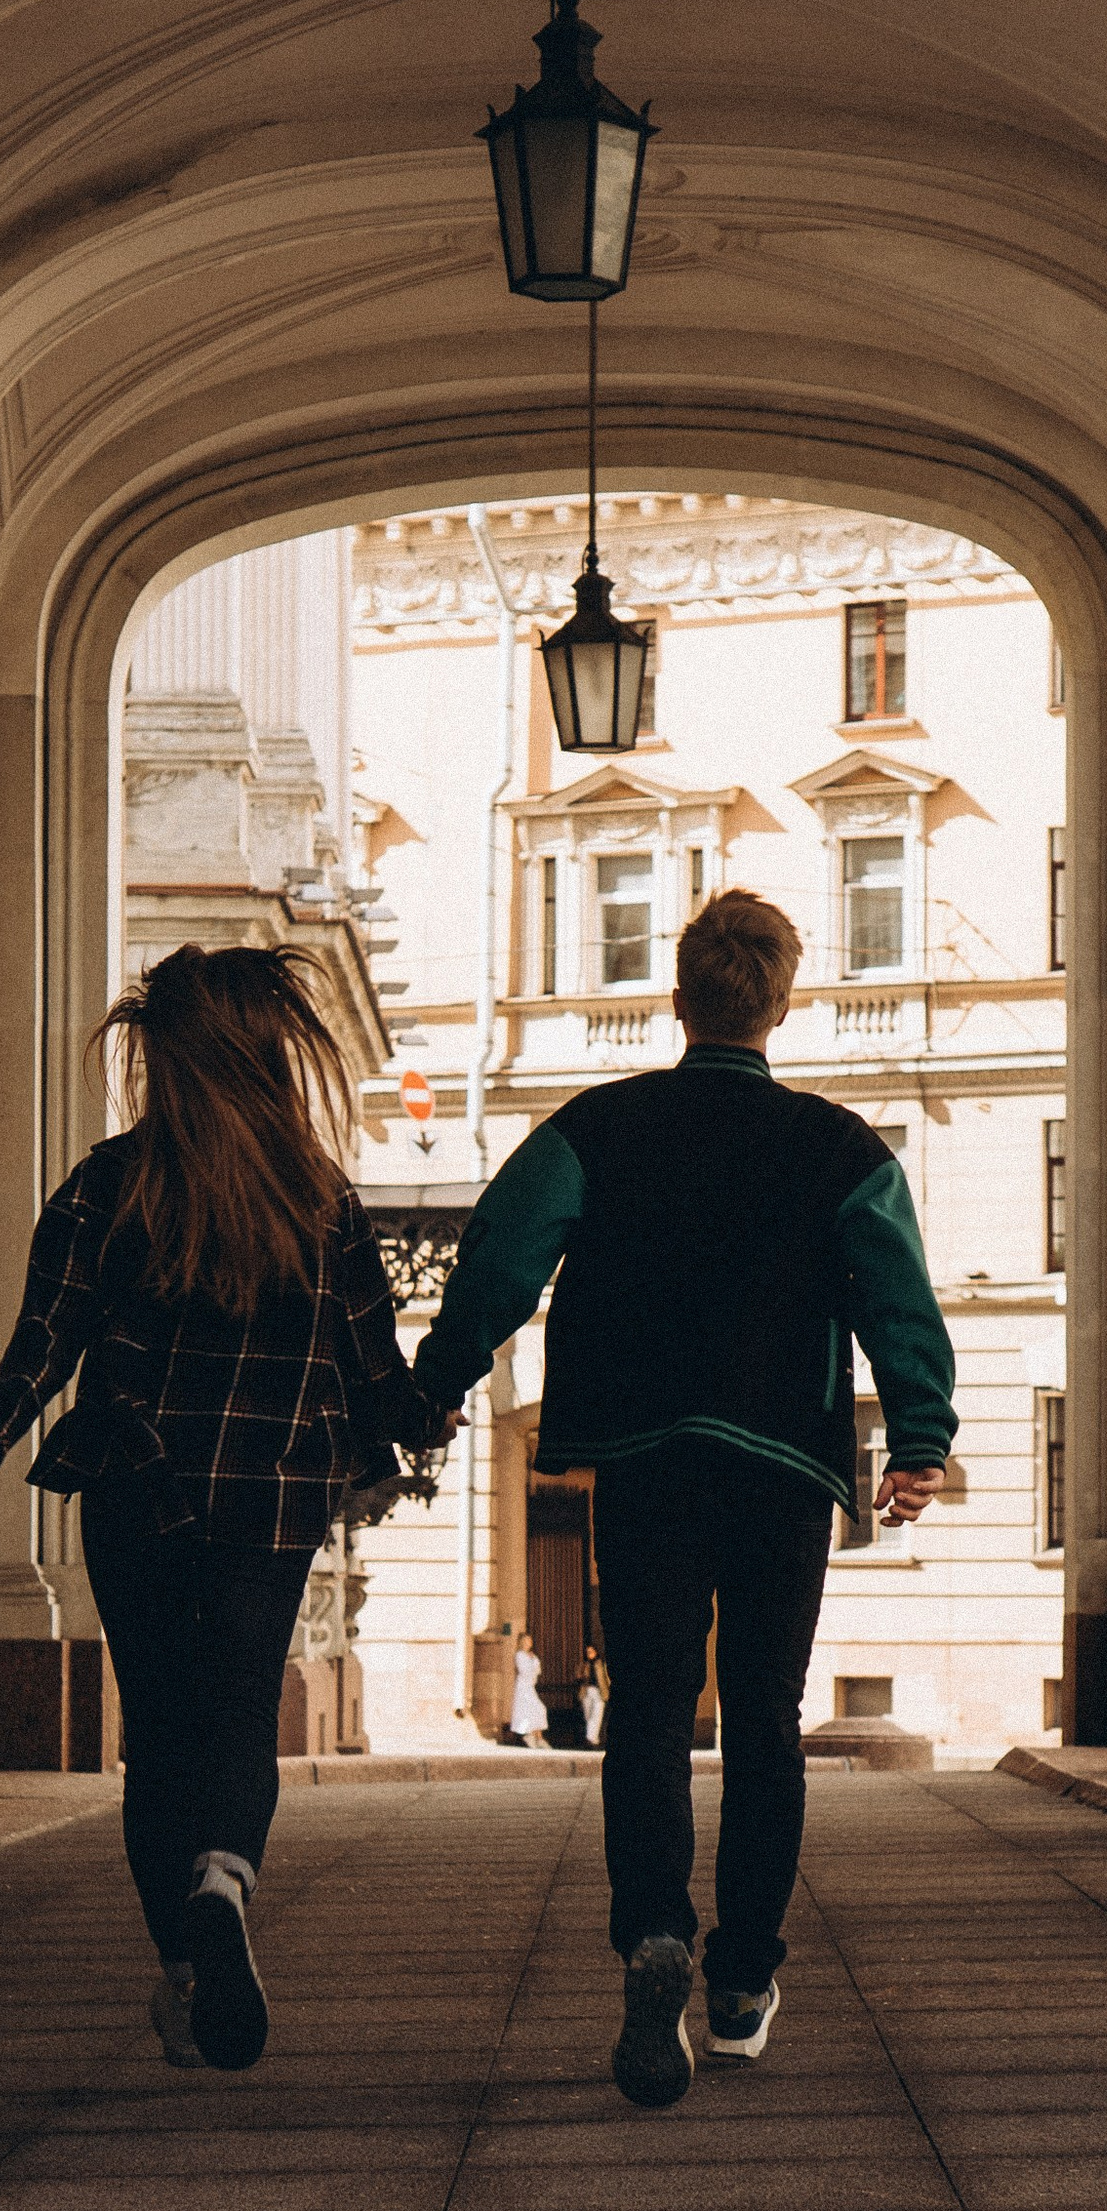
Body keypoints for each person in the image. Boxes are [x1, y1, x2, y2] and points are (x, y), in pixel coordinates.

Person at [410, 888, 955, 2109]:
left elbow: (499, 1258)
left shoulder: (594, 1128)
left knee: (650, 1708)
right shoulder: (840, 1150)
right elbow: (896, 1301)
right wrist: (916, 1436)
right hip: (783, 1465)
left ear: (676, 996)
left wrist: (437, 1384)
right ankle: (743, 1980)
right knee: (764, 1717)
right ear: (784, 1000)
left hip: (645, 1456)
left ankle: (654, 1931)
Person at [0, 943, 447, 2074]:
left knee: (157, 1737)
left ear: (169, 1062)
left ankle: (188, 1967)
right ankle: (223, 1884)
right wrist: (433, 1402)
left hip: (137, 1488)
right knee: (242, 1714)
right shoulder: (325, 1200)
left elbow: (41, 1346)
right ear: (266, 1056)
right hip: (273, 1492)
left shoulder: (108, 1184)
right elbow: (370, 1372)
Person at [510, 1638, 550, 1748]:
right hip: (523, 1687)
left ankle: (538, 1737)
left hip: (529, 1686)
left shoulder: (531, 1655)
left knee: (538, 1709)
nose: (529, 1643)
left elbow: (537, 1671)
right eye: (526, 1641)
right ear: (522, 1642)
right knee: (534, 1709)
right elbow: (525, 1671)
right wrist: (532, 1661)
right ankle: (532, 1736)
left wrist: (533, 1660)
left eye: (530, 1641)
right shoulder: (519, 1655)